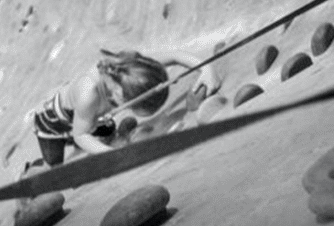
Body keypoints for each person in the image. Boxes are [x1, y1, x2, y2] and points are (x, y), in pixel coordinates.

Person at [32, 48, 221, 166]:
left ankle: (98, 130)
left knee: (102, 130)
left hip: (86, 116)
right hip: (51, 122)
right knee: (54, 164)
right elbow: (79, 135)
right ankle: (31, 171)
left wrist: (206, 69)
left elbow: (175, 55)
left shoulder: (134, 69)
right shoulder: (88, 95)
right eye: (132, 106)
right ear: (117, 94)